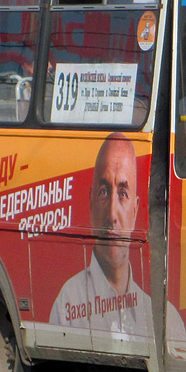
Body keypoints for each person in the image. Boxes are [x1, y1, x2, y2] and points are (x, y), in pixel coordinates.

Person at [51, 132, 151, 336]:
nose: (112, 215)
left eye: (123, 193)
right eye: (104, 192)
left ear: (135, 210)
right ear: (91, 202)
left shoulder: (162, 318)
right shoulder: (67, 304)